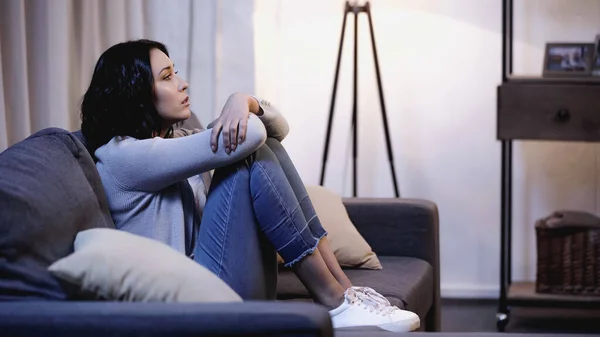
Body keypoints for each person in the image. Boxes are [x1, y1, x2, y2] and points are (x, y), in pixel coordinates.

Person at [80, 39, 419, 332]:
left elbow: (276, 129)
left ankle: (344, 294)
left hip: (221, 286)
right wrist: (238, 100)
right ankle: (333, 299)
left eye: (176, 72)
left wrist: (248, 102)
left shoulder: (178, 141)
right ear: (136, 93)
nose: (182, 84)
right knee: (249, 155)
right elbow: (252, 134)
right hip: (188, 308)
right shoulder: (124, 155)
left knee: (267, 148)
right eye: (167, 77)